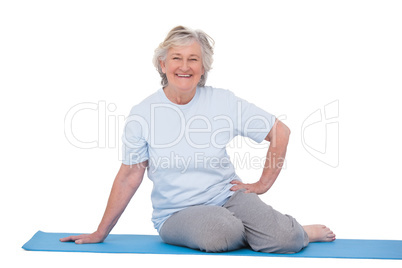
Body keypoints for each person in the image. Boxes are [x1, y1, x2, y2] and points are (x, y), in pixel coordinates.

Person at [60, 26, 335, 253]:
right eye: (177, 58)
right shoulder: (142, 114)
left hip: (228, 197)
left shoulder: (223, 101)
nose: (184, 66)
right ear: (163, 64)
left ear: (203, 67)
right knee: (220, 232)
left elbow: (280, 131)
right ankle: (262, 233)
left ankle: (295, 231)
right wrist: (101, 231)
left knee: (287, 240)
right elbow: (130, 174)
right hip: (176, 214)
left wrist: (262, 184)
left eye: (193, 59)